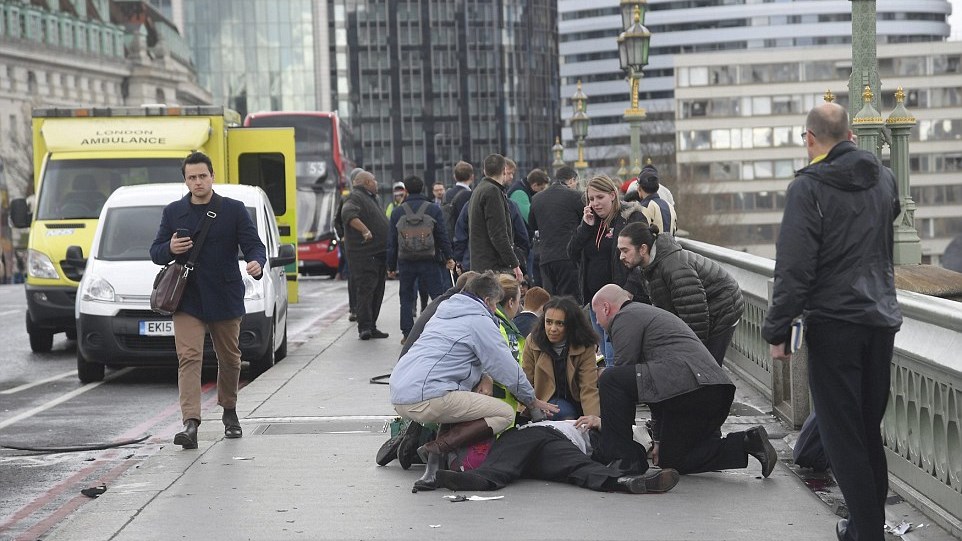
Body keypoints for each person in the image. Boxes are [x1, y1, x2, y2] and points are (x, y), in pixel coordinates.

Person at [761, 102, 902, 541]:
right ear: (851, 136)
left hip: (835, 321)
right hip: (880, 319)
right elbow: (891, 214)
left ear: (810, 138)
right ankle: (863, 525)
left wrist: (778, 328)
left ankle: (868, 534)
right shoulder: (884, 177)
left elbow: (795, 265)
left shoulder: (809, 188)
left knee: (843, 439)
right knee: (865, 429)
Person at [390, 271, 558, 491]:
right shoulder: (479, 321)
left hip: (400, 392)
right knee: (503, 413)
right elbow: (507, 369)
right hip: (427, 396)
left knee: (458, 402)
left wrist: (482, 376)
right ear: (487, 301)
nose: (495, 310)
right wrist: (532, 401)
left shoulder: (445, 312)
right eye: (495, 304)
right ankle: (435, 448)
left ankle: (433, 471)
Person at [590, 285, 777, 478]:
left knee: (610, 378)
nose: (597, 321)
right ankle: (747, 442)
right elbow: (651, 388)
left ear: (606, 308)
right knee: (672, 461)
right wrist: (659, 441)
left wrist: (613, 435)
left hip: (690, 388)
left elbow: (622, 379)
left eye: (596, 315)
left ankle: (624, 460)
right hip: (710, 392)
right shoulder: (648, 315)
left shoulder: (626, 317)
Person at [149, 151, 266, 449]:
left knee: (230, 358)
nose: (198, 182)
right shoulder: (173, 212)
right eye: (192, 177)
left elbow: (254, 245)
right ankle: (191, 423)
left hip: (225, 295)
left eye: (203, 176)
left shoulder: (233, 210)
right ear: (185, 181)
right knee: (188, 357)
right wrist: (170, 247)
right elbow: (155, 251)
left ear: (212, 176)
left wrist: (256, 263)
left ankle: (229, 410)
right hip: (187, 298)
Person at [434, 419, 679, 494]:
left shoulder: (629, 445)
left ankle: (625, 482)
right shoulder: (603, 427)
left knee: (578, 467)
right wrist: (600, 422)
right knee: (578, 466)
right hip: (535, 434)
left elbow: (631, 452)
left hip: (551, 445)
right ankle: (622, 481)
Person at [618, 222, 744, 366]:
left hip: (723, 306)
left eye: (625, 250)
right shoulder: (646, 267)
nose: (621, 256)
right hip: (704, 307)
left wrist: (691, 353)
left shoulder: (674, 268)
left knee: (708, 368)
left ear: (642, 249)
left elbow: (696, 316)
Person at [567, 175, 645, 365]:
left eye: (599, 197)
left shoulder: (630, 217)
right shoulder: (593, 222)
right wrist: (586, 227)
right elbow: (572, 252)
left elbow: (642, 257)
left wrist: (629, 290)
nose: (595, 203)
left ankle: (618, 393)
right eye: (591, 199)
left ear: (612, 195)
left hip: (620, 300)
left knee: (615, 357)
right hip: (596, 301)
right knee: (606, 353)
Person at [386, 175, 456, 344]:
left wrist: (391, 265)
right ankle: (441, 328)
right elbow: (442, 235)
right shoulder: (432, 209)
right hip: (429, 259)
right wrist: (449, 257)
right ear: (424, 188)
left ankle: (407, 333)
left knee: (406, 297)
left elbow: (392, 242)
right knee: (437, 296)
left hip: (406, 261)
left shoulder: (397, 212)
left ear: (406, 191)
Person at [522, 296, 600, 420]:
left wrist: (592, 418)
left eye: (560, 323)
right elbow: (526, 380)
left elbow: (588, 386)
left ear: (571, 325)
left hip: (576, 400)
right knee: (560, 411)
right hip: (544, 402)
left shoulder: (585, 345)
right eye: (548, 322)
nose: (553, 329)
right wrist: (529, 410)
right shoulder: (533, 341)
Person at [339, 170, 390, 340]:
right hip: (365, 255)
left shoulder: (371, 198)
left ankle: (372, 326)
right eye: (374, 180)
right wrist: (365, 230)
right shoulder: (354, 197)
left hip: (378, 255)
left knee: (377, 292)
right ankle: (365, 328)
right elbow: (348, 214)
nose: (377, 183)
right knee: (366, 291)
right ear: (367, 183)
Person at [530, 166, 583, 301]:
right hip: (568, 257)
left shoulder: (537, 198)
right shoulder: (575, 196)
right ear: (572, 180)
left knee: (551, 301)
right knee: (570, 301)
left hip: (546, 258)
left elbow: (532, 225)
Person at [467, 154, 523, 281]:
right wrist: (514, 264)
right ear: (504, 170)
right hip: (493, 267)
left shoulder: (478, 190)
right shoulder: (492, 192)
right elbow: (498, 234)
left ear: (484, 171)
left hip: (480, 264)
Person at [625, 169, 677, 236]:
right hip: (670, 245)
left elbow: (637, 236)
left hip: (651, 246)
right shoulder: (669, 206)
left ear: (639, 188)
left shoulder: (641, 208)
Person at [442, 161, 474, 240]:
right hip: (464, 239)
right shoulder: (470, 195)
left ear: (454, 177)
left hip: (449, 237)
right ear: (472, 177)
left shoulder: (447, 193)